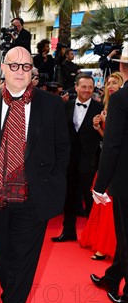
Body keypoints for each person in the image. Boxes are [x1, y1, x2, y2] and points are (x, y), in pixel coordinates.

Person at [0, 46, 70, 303]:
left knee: (25, 261)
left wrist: (52, 186)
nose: (19, 71)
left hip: (33, 197)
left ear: (33, 72)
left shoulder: (52, 105)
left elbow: (63, 151)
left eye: (25, 66)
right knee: (4, 260)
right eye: (13, 66)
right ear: (2, 68)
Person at [91, 55, 128, 303]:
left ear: (122, 67)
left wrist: (99, 184)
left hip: (125, 180)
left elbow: (112, 146)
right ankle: (113, 277)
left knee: (126, 236)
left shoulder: (120, 99)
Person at [52, 73, 103, 242]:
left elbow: (106, 136)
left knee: (89, 199)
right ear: (76, 87)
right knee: (69, 197)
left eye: (90, 87)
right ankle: (68, 232)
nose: (87, 90)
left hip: (89, 161)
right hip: (69, 160)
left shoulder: (100, 108)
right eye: (84, 86)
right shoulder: (65, 106)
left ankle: (93, 236)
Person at [80, 72, 124, 260]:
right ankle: (102, 244)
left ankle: (108, 247)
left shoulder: (120, 104)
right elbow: (108, 141)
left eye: (115, 82)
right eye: (109, 83)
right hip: (106, 161)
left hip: (116, 165)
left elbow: (116, 142)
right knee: (102, 207)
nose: (111, 85)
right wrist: (99, 128)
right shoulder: (107, 106)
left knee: (109, 207)